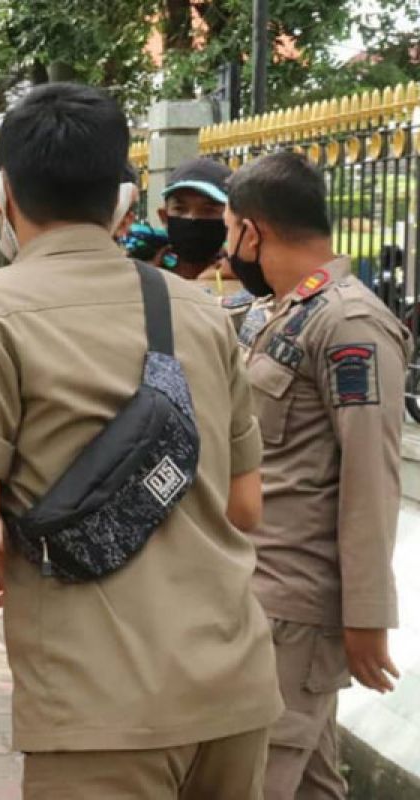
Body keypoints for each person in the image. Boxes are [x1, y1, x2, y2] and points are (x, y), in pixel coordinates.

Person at [0, 82, 283, 798]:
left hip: (101, 705)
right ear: (127, 204)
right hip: (233, 688)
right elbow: (244, 507)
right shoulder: (194, 311)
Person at [225, 151, 409, 799]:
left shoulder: (348, 324)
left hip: (294, 609)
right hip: (262, 594)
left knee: (260, 781)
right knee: (312, 785)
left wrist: (365, 615)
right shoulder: (283, 312)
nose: (226, 248)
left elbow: (372, 474)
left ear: (253, 230)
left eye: (228, 230)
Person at [155, 157, 233, 280]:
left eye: (208, 210)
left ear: (230, 218)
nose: (192, 218)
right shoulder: (141, 273)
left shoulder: (249, 280)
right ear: (164, 217)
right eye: (180, 209)